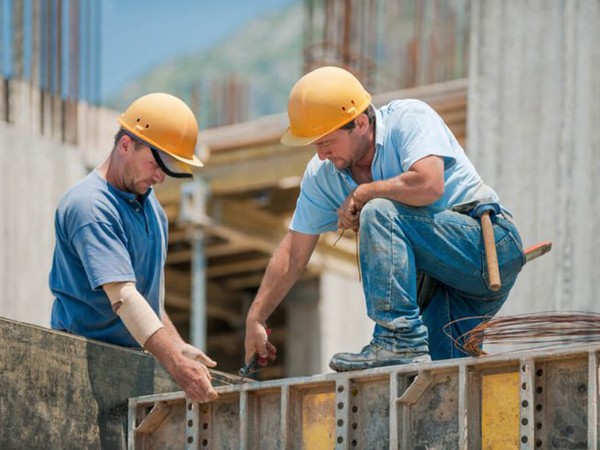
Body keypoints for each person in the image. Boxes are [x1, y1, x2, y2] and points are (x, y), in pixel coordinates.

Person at [244, 66, 525, 372]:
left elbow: (430, 184)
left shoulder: (408, 119)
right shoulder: (322, 175)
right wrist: (256, 317)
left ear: (361, 122)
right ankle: (405, 347)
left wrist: (366, 192)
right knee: (444, 383)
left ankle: (398, 341)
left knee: (378, 211)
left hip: (486, 247)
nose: (322, 155)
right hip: (442, 287)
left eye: (326, 142)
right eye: (315, 145)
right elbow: (293, 251)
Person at [49, 93, 218, 402]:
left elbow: (143, 299)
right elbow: (124, 297)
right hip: (80, 366)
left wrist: (177, 346)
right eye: (155, 164)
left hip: (126, 365)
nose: (160, 177)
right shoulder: (90, 206)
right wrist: (175, 364)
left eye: (167, 169)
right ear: (126, 144)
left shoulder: (153, 211)